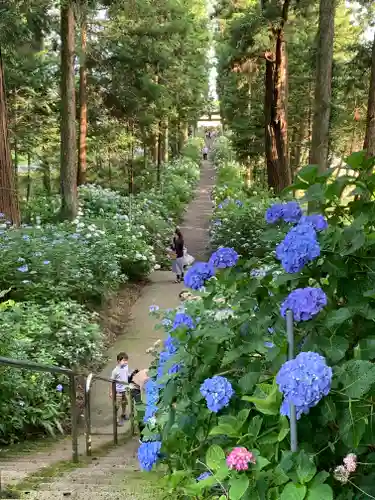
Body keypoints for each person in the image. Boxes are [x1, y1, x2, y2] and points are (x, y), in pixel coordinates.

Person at [109, 351, 130, 426]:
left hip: (124, 390)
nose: (126, 362)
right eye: (124, 360)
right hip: (118, 391)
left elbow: (127, 375)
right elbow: (111, 381)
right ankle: (116, 419)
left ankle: (123, 414)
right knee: (117, 405)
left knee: (124, 402)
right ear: (118, 361)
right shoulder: (115, 371)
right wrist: (111, 391)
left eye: (126, 360)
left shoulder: (126, 367)